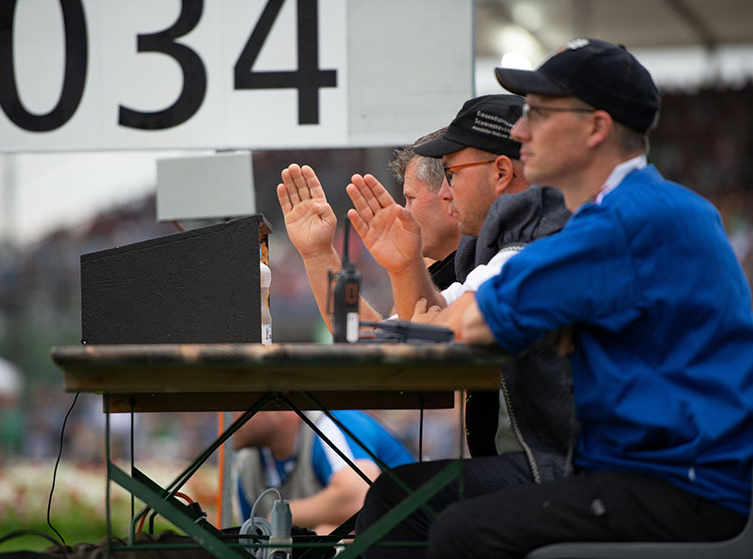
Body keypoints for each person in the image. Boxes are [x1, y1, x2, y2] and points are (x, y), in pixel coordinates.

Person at [428, 38, 753, 558]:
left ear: (595, 128)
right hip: (699, 477)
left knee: (457, 530)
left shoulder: (621, 223)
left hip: (678, 487)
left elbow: (467, 324)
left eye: (538, 113)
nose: (519, 130)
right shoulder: (664, 206)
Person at [348, 95, 574, 558]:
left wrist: (435, 322)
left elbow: (437, 334)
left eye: (452, 174)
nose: (445, 191)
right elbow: (418, 327)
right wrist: (405, 264)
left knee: (397, 499)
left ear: (501, 173)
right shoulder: (495, 245)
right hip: (551, 460)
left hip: (568, 466)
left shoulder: (538, 241)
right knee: (399, 497)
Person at [276, 128, 460, 334]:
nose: (404, 211)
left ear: (450, 192)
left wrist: (404, 266)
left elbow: (395, 346)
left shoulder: (491, 262)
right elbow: (376, 341)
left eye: (411, 198)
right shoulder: (432, 264)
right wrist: (317, 253)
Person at [232, 409, 415, 535]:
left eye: (236, 398)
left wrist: (280, 515)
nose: (222, 414)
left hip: (416, 540)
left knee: (327, 537)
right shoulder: (247, 465)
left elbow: (359, 498)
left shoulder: (329, 421)